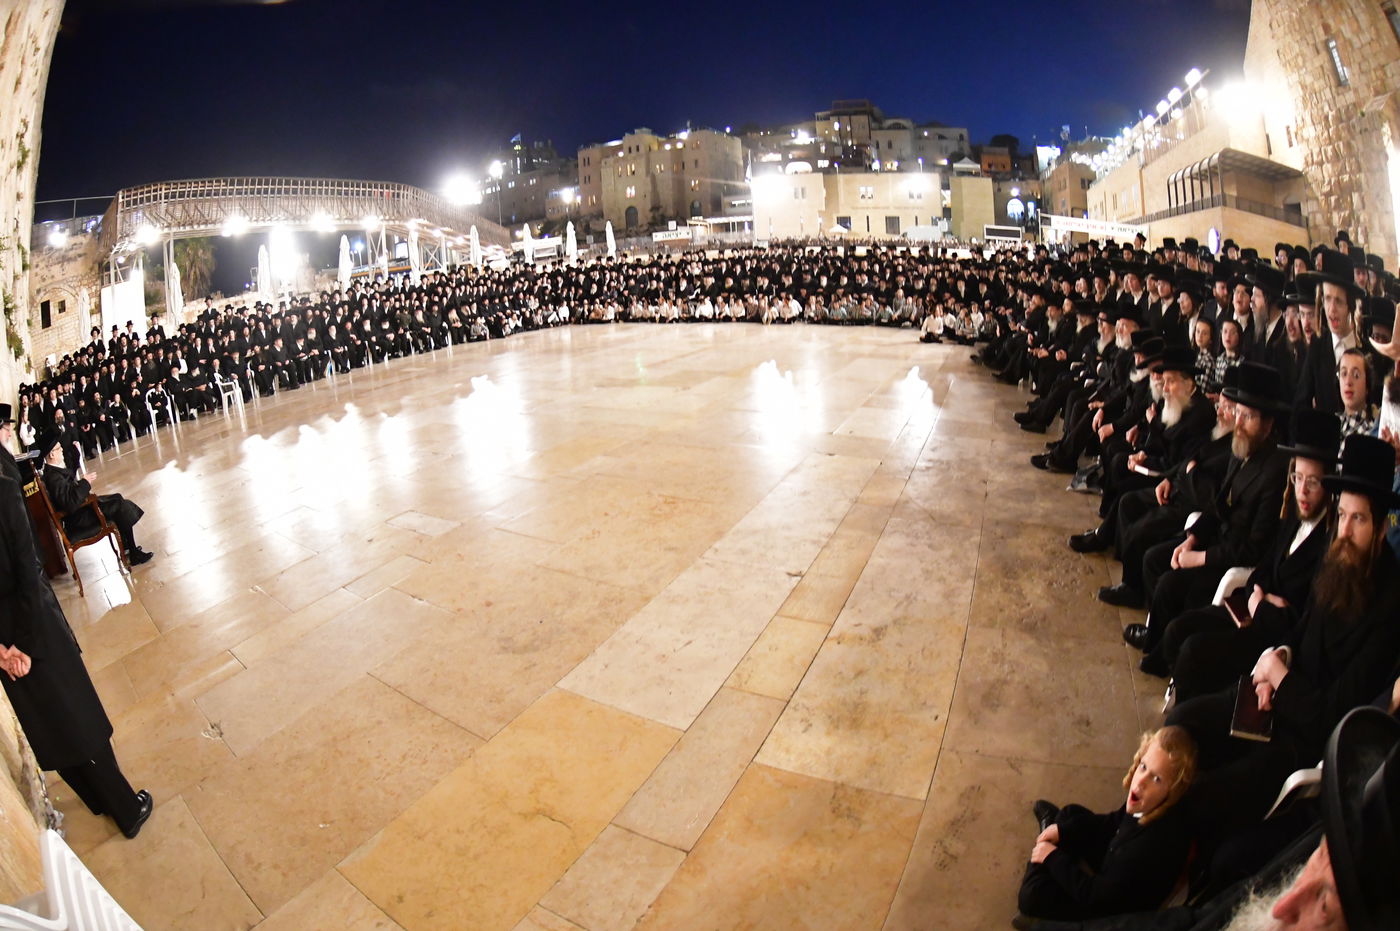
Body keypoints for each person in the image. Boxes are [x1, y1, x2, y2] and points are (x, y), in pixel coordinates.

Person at [0, 474, 152, 839]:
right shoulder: (2, 488)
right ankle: (127, 810)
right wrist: (24, 643)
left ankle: (96, 799)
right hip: (31, 627)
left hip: (4, 646)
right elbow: (27, 568)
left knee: (48, 722)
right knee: (77, 715)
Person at [1014, 727, 1197, 925]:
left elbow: (1095, 896)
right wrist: (1063, 831)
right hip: (1117, 855)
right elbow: (1115, 821)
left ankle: (1044, 853)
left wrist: (1052, 858)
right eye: (1143, 767)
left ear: (1172, 789)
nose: (1141, 782)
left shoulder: (1147, 848)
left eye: (1156, 779)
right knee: (1070, 815)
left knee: (1031, 896)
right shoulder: (1150, 801)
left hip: (1110, 907)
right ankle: (1050, 838)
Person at [37, 431, 154, 566]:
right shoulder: (53, 478)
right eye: (59, 448)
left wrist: (81, 483)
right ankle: (133, 553)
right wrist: (84, 483)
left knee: (117, 498)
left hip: (83, 510)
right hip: (80, 518)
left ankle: (128, 547)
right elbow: (70, 503)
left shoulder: (54, 472)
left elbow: (69, 492)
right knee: (120, 505)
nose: (62, 449)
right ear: (52, 454)